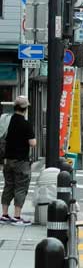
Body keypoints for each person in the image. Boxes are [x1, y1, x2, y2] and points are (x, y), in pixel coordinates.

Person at [1, 96, 36, 226]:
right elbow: (32, 143)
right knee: (20, 187)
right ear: (25, 108)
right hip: (21, 161)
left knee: (8, 186)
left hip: (7, 160)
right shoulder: (25, 124)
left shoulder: (7, 121)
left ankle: (4, 215)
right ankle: (17, 217)